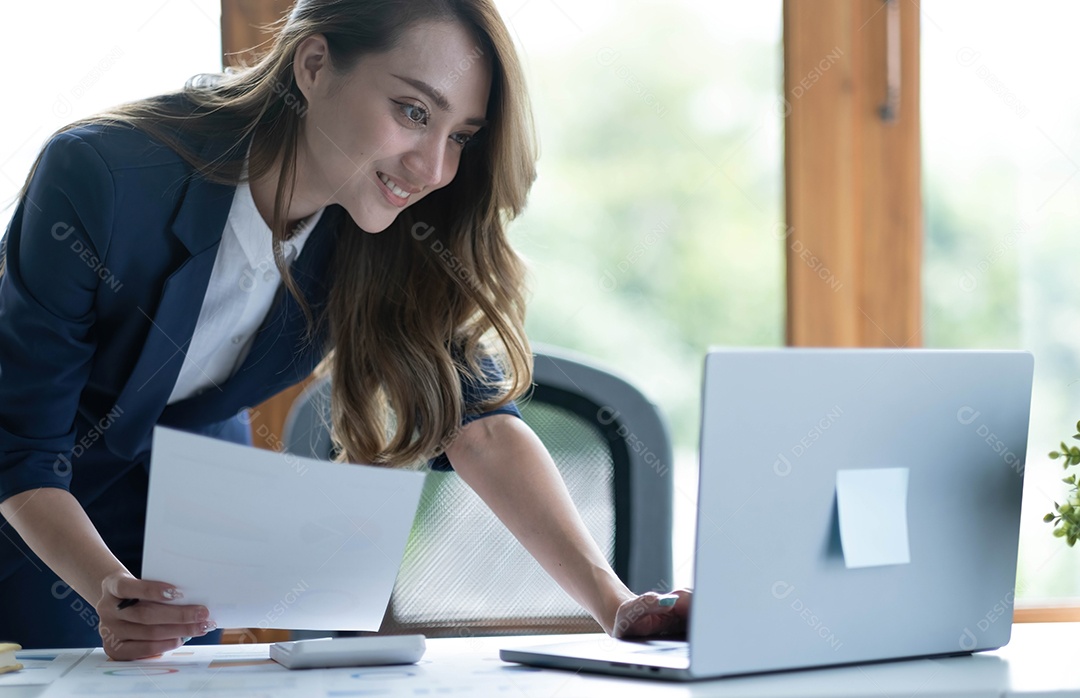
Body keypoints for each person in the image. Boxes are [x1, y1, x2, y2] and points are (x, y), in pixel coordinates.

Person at [0, 0, 689, 659]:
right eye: (413, 111)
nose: (432, 169)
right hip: (32, 501)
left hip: (186, 488)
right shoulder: (101, 177)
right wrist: (103, 587)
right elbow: (24, 447)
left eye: (460, 138)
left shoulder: (383, 227)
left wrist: (616, 604)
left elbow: (479, 426)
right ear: (313, 65)